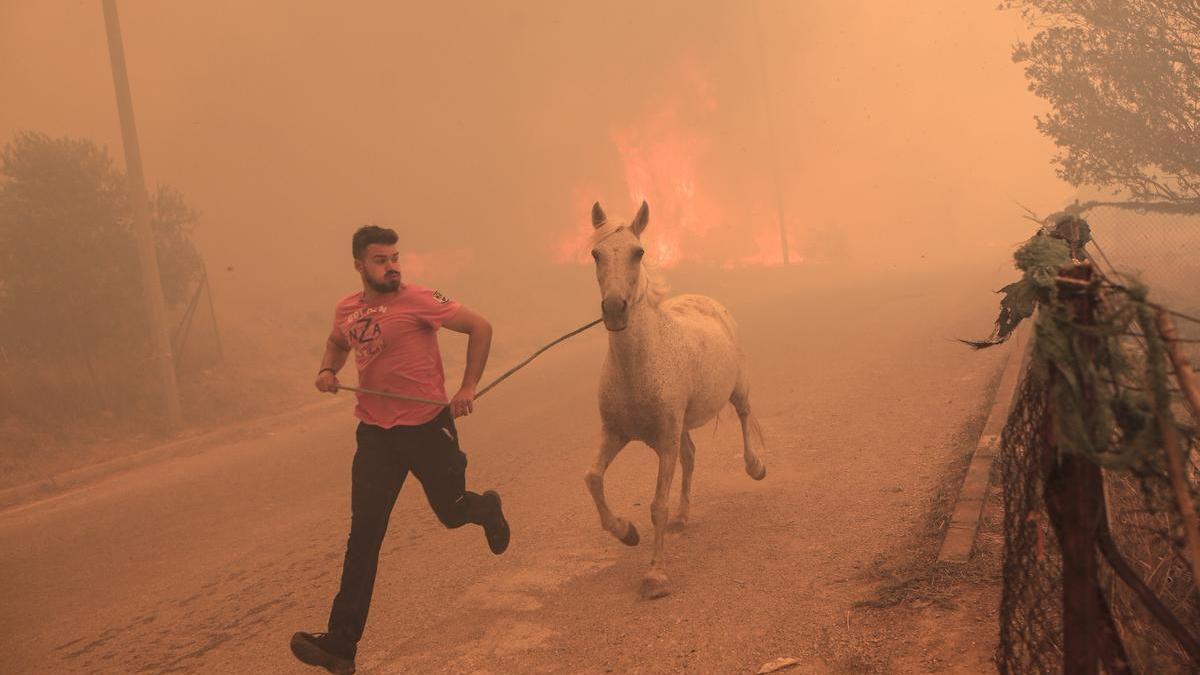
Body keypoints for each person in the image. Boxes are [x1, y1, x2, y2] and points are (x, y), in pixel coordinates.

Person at [290, 225, 509, 675]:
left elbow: (480, 328)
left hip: (428, 428)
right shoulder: (347, 310)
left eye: (394, 258)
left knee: (451, 513)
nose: (391, 266)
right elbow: (336, 343)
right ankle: (340, 645)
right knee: (364, 536)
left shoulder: (420, 299)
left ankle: (485, 509)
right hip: (376, 435)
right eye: (380, 259)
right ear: (359, 265)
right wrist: (328, 370)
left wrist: (468, 387)